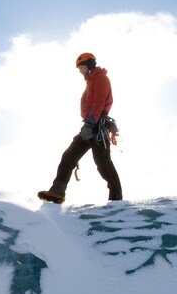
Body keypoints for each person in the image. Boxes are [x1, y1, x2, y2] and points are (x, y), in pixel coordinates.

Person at [38, 53, 123, 204]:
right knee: (69, 157)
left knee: (103, 164)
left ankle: (116, 198)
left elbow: (99, 101)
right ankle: (57, 192)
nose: (80, 71)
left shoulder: (100, 78)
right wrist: (87, 125)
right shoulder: (91, 81)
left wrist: (90, 124)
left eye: (81, 67)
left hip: (96, 127)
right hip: (88, 127)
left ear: (89, 65)